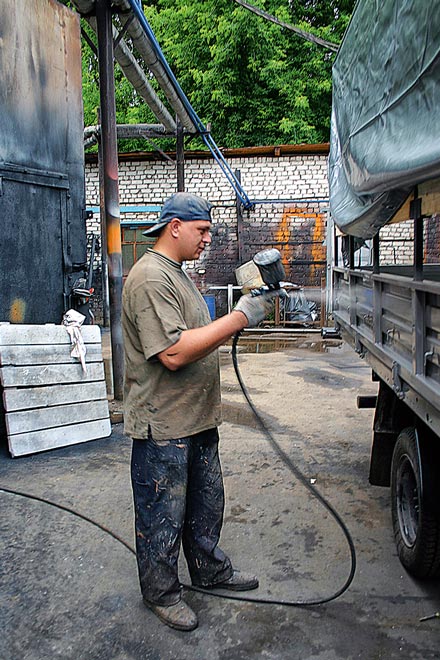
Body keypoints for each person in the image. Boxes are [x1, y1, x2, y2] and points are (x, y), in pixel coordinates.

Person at [121, 192, 277, 632]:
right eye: (202, 230)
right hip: (164, 425)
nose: (208, 238)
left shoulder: (178, 274)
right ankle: (162, 593)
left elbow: (197, 333)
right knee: (162, 515)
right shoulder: (151, 277)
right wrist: (241, 318)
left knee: (206, 506)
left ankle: (209, 571)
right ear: (175, 226)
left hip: (196, 420)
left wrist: (239, 310)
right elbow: (172, 352)